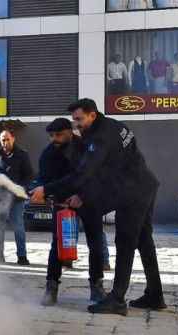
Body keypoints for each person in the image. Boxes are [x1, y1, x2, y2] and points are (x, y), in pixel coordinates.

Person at [31, 99, 165, 316]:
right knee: (144, 241)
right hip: (142, 185)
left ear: (92, 115)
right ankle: (155, 295)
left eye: (79, 119)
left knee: (125, 241)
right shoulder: (111, 125)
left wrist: (46, 190)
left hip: (133, 192)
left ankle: (117, 299)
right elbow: (103, 171)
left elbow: (85, 174)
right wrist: (82, 195)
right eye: (74, 120)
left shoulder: (100, 138)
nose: (76, 125)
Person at [33, 119, 108, 306]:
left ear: (70, 132)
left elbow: (96, 175)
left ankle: (97, 287)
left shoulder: (86, 148)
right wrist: (47, 195)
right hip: (62, 203)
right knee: (57, 244)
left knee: (96, 242)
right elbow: (44, 180)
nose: (54, 139)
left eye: (58, 135)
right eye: (51, 136)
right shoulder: (48, 154)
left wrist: (81, 195)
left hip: (88, 200)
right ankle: (51, 288)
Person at [0, 129, 33, 265]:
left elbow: (29, 176)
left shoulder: (22, 155)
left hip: (16, 199)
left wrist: (20, 189)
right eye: (3, 139)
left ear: (13, 139)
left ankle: (22, 257)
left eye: (7, 139)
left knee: (18, 227)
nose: (5, 142)